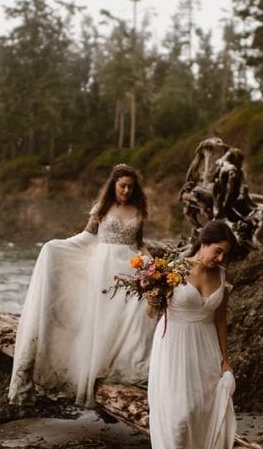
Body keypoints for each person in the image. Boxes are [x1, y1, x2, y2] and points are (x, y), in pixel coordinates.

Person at [9, 164, 158, 408]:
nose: (127, 190)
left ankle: (123, 365)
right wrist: (57, 246)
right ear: (114, 185)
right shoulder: (101, 208)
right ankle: (95, 368)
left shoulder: (138, 210)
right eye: (122, 186)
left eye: (131, 187)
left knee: (131, 315)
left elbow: (139, 243)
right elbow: (87, 237)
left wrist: (151, 264)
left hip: (129, 266)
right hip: (103, 268)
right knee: (103, 318)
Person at [147, 220, 237, 449]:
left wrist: (225, 359)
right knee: (177, 412)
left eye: (225, 254)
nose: (221, 259)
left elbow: (220, 319)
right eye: (218, 251)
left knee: (200, 410)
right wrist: (153, 294)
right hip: (173, 346)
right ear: (203, 243)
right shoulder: (173, 269)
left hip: (205, 347)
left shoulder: (221, 275)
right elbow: (151, 311)